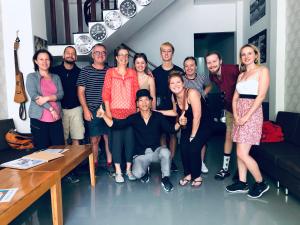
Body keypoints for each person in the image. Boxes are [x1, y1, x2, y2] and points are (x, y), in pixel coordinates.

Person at [97, 89, 181, 192]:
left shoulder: (158, 116)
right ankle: (145, 170)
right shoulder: (133, 118)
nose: (144, 103)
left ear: (151, 102)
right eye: (141, 100)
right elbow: (116, 125)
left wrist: (180, 122)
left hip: (155, 152)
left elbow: (171, 129)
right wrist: (104, 115)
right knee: (137, 174)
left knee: (166, 152)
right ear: (137, 103)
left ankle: (165, 178)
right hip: (141, 155)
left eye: (147, 100)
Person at [226, 44, 270, 198]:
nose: (246, 57)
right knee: (239, 152)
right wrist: (237, 115)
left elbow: (261, 96)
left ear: (255, 55)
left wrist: (246, 116)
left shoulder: (262, 71)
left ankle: (260, 183)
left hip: (253, 113)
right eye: (243, 54)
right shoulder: (241, 75)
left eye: (249, 53)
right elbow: (235, 98)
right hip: (240, 113)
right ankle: (242, 183)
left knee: (242, 153)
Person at [159, 71, 213, 187]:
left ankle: (197, 176)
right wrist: (157, 112)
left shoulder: (192, 93)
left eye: (178, 82)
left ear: (183, 83)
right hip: (188, 125)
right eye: (172, 83)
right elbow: (174, 112)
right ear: (169, 86)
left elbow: (197, 116)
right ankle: (188, 174)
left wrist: (193, 136)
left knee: (193, 148)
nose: (175, 85)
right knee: (183, 148)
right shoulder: (173, 96)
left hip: (204, 125)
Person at [102, 45, 139, 183]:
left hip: (130, 115)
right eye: (121, 55)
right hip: (115, 114)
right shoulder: (110, 72)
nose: (124, 58)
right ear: (116, 57)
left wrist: (136, 112)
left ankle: (128, 170)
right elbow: (106, 93)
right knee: (116, 143)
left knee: (130, 142)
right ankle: (118, 171)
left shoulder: (132, 72)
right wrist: (108, 113)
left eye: (126, 55)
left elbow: (136, 92)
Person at [77, 43, 112, 171]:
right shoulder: (85, 71)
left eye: (103, 52)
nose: (100, 55)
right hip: (92, 109)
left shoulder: (110, 70)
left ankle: (110, 163)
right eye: (97, 52)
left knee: (109, 137)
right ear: (92, 55)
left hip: (108, 109)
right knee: (95, 139)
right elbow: (80, 92)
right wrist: (85, 110)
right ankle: (94, 165)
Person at [205, 51, 240, 180]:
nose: (212, 64)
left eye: (214, 61)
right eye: (209, 62)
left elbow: (248, 76)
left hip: (242, 109)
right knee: (228, 137)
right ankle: (225, 169)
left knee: (240, 141)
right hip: (230, 109)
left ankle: (241, 171)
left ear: (220, 61)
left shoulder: (232, 69)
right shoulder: (213, 75)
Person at [153, 42, 184, 172]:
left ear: (172, 53)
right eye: (164, 51)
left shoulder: (178, 71)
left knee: (173, 134)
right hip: (160, 109)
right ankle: (164, 160)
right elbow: (153, 93)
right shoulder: (155, 72)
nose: (166, 53)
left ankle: (171, 160)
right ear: (161, 54)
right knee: (161, 135)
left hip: (174, 109)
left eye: (169, 51)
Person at [26, 49, 64, 150]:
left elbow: (61, 94)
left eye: (47, 59)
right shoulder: (31, 77)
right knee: (42, 150)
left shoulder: (56, 77)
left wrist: (47, 98)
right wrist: (51, 109)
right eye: (41, 59)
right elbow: (35, 97)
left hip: (56, 118)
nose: (44, 62)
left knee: (59, 149)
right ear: (36, 61)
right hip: (39, 119)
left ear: (50, 61)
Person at [183, 56, 212, 173]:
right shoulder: (181, 79)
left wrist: (203, 93)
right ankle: (192, 162)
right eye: (186, 66)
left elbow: (210, 85)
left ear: (195, 67)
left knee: (201, 138)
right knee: (189, 137)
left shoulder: (202, 77)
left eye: (191, 65)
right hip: (188, 112)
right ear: (184, 68)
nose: (189, 68)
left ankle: (201, 162)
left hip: (202, 111)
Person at [52, 46, 84, 145]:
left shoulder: (80, 72)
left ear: (76, 57)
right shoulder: (54, 71)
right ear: (63, 55)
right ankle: (66, 160)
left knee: (77, 137)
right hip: (59, 109)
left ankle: (77, 160)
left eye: (73, 53)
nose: (70, 55)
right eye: (68, 53)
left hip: (76, 109)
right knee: (62, 138)